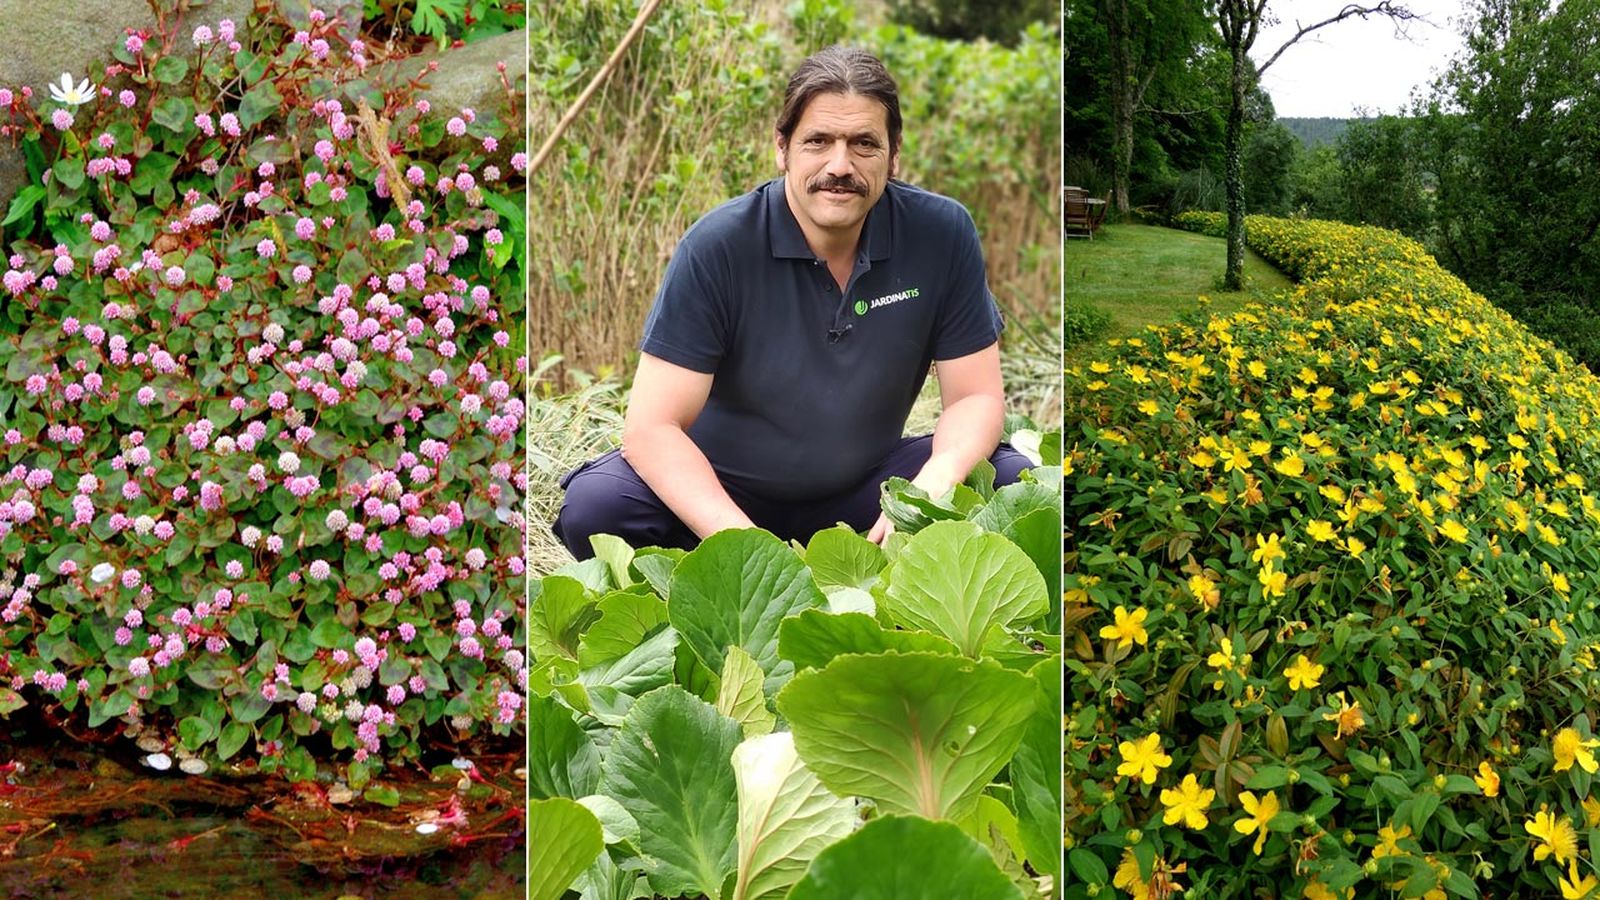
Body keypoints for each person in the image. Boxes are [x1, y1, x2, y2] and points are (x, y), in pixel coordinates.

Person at [553, 45, 1031, 561]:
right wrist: (752, 554)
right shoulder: (719, 247)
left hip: (865, 492)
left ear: (895, 154)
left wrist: (925, 494)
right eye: (818, 141)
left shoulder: (942, 233)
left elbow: (975, 399)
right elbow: (650, 430)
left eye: (864, 144)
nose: (840, 165)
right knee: (595, 508)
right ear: (783, 148)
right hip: (719, 497)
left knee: (1013, 481)